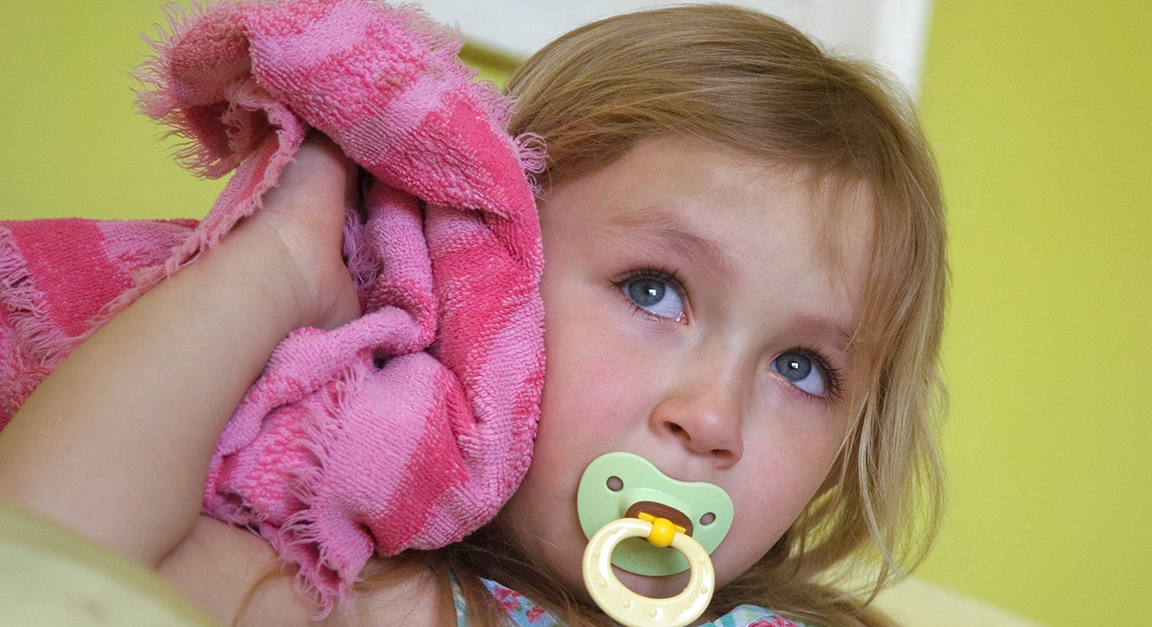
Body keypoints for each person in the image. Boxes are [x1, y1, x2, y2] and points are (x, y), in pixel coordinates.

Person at [0, 4, 946, 627]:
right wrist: (274, 268)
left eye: (802, 367)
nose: (710, 419)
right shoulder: (385, 602)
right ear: (493, 284)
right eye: (653, 288)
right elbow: (44, 548)